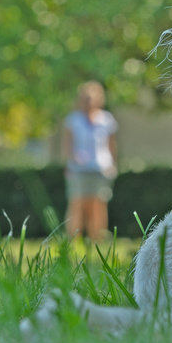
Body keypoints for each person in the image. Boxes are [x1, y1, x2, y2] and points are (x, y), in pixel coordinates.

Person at [58, 80, 118, 241]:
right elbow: (67, 145)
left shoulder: (106, 120)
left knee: (98, 204)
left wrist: (113, 164)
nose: (88, 102)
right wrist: (72, 158)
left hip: (100, 168)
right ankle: (73, 240)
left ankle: (97, 239)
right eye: (85, 99)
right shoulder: (73, 120)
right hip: (78, 169)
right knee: (77, 203)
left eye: (91, 99)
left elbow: (111, 145)